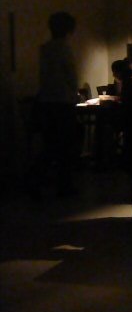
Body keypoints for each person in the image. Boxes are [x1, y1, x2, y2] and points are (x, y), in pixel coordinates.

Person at [31, 11, 81, 197]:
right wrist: (75, 94)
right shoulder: (64, 49)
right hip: (63, 103)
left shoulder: (45, 49)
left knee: (51, 145)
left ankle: (37, 179)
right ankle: (64, 185)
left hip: (46, 102)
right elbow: (71, 77)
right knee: (66, 146)